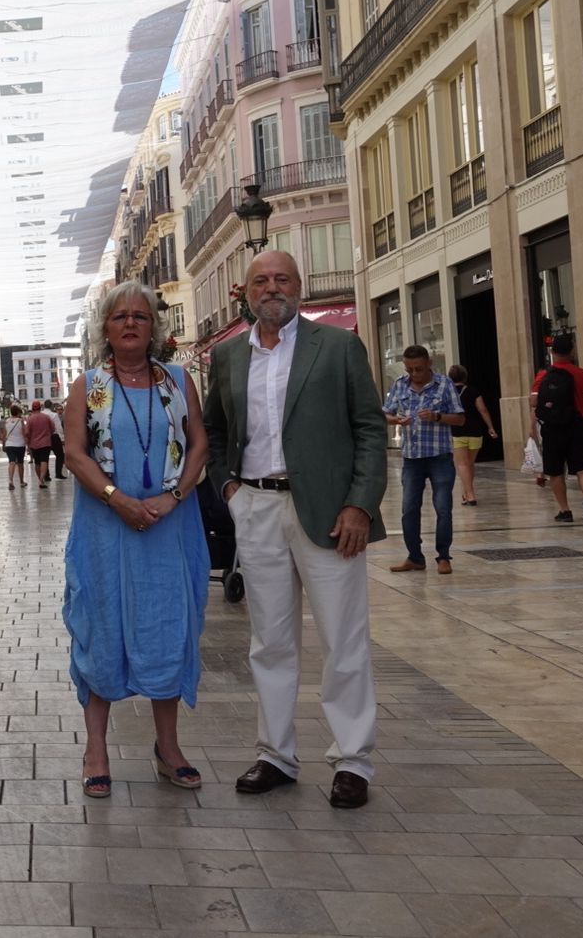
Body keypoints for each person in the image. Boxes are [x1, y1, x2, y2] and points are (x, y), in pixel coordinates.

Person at [201, 251, 388, 809]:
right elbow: (214, 429)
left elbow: (369, 429)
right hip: (256, 507)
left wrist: (360, 505)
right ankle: (276, 755)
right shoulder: (228, 355)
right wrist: (230, 490)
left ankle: (352, 760)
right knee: (270, 642)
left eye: (282, 279)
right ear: (246, 292)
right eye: (261, 280)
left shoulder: (338, 346)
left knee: (343, 639)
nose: (272, 288)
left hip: (331, 513)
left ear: (299, 287)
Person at [63, 280, 211, 798]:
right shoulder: (89, 385)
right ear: (105, 328)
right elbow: (74, 453)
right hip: (105, 531)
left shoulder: (178, 380)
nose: (130, 323)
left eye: (140, 316)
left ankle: (168, 748)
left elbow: (199, 444)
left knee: (168, 628)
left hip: (169, 529)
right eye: (120, 316)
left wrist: (173, 496)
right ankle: (96, 750)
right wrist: (117, 499)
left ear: (154, 328)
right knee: (102, 630)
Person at [382, 345, 464, 575]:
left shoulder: (444, 384)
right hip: (412, 458)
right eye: (409, 369)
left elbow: (460, 419)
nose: (414, 374)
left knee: (443, 507)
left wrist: (437, 416)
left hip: (440, 456)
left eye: (418, 368)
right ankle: (415, 557)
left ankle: (443, 556)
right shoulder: (400, 384)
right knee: (409, 508)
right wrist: (395, 420)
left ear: (429, 363)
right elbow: (385, 413)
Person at [530, 334, 583, 524]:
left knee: (555, 471)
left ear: (552, 352)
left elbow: (534, 402)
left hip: (553, 427)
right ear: (572, 352)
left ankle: (565, 510)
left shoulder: (543, 375)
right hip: (578, 424)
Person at [448, 364, 499, 505]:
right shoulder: (473, 391)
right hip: (475, 432)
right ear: (465, 376)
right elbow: (483, 410)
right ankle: (466, 493)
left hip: (457, 431)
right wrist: (490, 427)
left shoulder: (449, 393)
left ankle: (470, 495)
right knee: (469, 464)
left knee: (462, 465)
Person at [24, 400, 55, 489]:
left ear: (32, 408)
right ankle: (42, 479)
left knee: (37, 463)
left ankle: (41, 480)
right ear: (40, 408)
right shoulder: (46, 417)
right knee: (44, 461)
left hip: (34, 444)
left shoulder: (30, 419)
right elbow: (53, 428)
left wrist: (29, 439)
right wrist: (48, 434)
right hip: (45, 443)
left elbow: (26, 432)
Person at [3, 404, 27, 489]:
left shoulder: (7, 421)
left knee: (11, 462)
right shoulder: (21, 421)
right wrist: (27, 443)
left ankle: (11, 481)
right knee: (20, 463)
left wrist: (4, 444)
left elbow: (4, 434)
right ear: (17, 412)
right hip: (20, 444)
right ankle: (21, 482)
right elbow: (24, 433)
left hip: (9, 445)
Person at [46, 400, 68, 479]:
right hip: (54, 436)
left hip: (44, 437)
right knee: (59, 455)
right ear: (51, 406)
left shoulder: (41, 414)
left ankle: (46, 475)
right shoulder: (54, 415)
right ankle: (58, 473)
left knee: (45, 457)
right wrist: (62, 438)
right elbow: (58, 427)